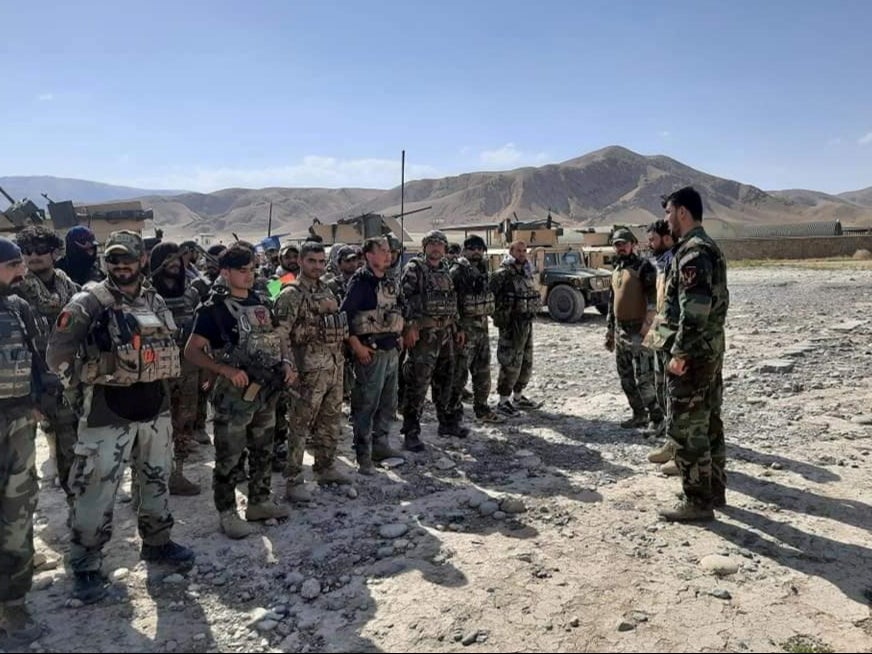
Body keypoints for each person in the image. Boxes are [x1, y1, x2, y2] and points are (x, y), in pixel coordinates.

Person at [46, 230, 195, 604]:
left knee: (156, 480)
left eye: (128, 258)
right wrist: (82, 382)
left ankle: (158, 543)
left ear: (142, 260)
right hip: (106, 412)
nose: (121, 265)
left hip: (154, 408)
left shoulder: (153, 299)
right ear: (106, 262)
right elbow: (57, 355)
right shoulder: (88, 301)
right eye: (114, 260)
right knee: (95, 491)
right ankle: (86, 565)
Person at [184, 243, 292, 539]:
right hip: (234, 394)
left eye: (252, 269)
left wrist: (285, 363)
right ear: (225, 272)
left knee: (263, 450)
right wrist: (224, 370)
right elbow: (192, 351)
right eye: (242, 270)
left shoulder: (262, 300)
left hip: (265, 391)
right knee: (229, 456)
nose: (249, 275)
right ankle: (227, 512)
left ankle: (259, 501)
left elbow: (277, 336)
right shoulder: (213, 309)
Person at [649, 187, 729, 522]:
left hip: (693, 356)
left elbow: (694, 311)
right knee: (709, 420)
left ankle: (697, 500)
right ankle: (714, 490)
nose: (666, 220)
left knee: (688, 427)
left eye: (668, 212)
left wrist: (679, 352)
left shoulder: (694, 252)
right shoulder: (704, 246)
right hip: (708, 351)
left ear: (682, 212)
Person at [274, 241, 351, 501]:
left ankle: (325, 466)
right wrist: (288, 366)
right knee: (299, 425)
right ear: (301, 262)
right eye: (311, 261)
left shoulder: (327, 290)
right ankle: (294, 479)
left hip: (332, 365)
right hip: (306, 370)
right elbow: (280, 335)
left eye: (321, 262)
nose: (317, 267)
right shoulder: (291, 294)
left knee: (330, 420)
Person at [0, 238, 47, 645]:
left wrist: (40, 403)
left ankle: (14, 601)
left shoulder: (20, 308)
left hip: (17, 425)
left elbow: (39, 360)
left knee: (18, 511)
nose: (22, 272)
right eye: (13, 265)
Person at [13, 225, 80, 502]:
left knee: (73, 439)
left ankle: (76, 499)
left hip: (69, 372)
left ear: (55, 253)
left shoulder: (66, 283)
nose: (33, 257)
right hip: (34, 376)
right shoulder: (17, 288)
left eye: (40, 250)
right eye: (26, 251)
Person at [340, 237, 405, 473]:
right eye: (383, 251)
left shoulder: (389, 281)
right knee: (366, 405)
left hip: (390, 351)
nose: (388, 256)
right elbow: (344, 316)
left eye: (390, 251)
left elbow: (397, 308)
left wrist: (398, 333)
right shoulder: (361, 282)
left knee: (388, 404)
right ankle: (363, 455)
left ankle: (381, 445)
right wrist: (356, 346)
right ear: (369, 255)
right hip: (371, 352)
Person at [400, 230, 466, 448]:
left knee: (446, 380)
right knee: (418, 383)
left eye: (440, 244)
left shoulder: (446, 271)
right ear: (425, 247)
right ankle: (411, 432)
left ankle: (446, 423)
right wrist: (409, 327)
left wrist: (456, 328)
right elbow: (405, 300)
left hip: (445, 334)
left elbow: (452, 302)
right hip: (424, 336)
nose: (436, 248)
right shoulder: (415, 269)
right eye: (432, 244)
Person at [150, 242, 203, 495]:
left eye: (177, 258)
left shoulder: (191, 293)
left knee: (183, 423)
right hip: (155, 373)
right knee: (154, 426)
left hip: (187, 370)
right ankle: (149, 480)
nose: (173, 262)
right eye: (167, 258)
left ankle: (177, 474)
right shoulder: (147, 295)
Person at [604, 227, 662, 431]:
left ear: (633, 245)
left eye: (624, 244)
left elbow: (654, 300)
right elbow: (612, 302)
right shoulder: (617, 269)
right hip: (621, 331)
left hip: (640, 330)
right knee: (625, 376)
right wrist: (610, 331)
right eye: (617, 244)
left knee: (644, 378)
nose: (620, 247)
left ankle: (657, 418)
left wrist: (648, 326)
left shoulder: (644, 267)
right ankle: (639, 415)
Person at [448, 235, 500, 423]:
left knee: (483, 372)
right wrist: (457, 328)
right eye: (472, 248)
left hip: (482, 330)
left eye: (479, 248)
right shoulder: (457, 273)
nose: (476, 252)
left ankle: (482, 408)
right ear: (465, 250)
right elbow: (451, 304)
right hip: (464, 332)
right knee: (459, 374)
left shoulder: (483, 271)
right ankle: (452, 413)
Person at [489, 240, 541, 415]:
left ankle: (518, 397)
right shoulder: (502, 274)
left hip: (526, 323)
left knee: (526, 361)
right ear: (510, 251)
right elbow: (490, 299)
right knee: (510, 362)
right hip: (511, 326)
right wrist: (501, 318)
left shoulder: (526, 272)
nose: (522, 253)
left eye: (524, 250)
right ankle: (503, 401)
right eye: (518, 250)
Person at [644, 220, 678, 467]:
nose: (649, 244)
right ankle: (670, 438)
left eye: (653, 239)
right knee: (660, 384)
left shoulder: (676, 262)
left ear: (666, 239)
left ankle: (679, 449)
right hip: (661, 326)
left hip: (673, 330)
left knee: (673, 389)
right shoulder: (662, 264)